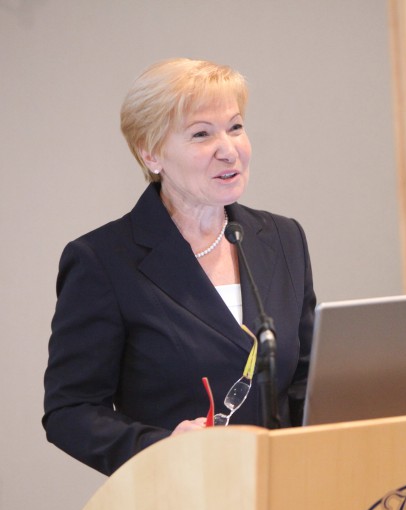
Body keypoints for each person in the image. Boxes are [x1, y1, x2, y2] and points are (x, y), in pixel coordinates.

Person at [43, 58, 316, 476]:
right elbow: (70, 411)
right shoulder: (103, 260)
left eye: (235, 127)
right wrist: (162, 448)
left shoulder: (282, 238)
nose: (229, 149)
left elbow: (306, 378)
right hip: (179, 496)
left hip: (285, 489)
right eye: (202, 134)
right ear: (151, 153)